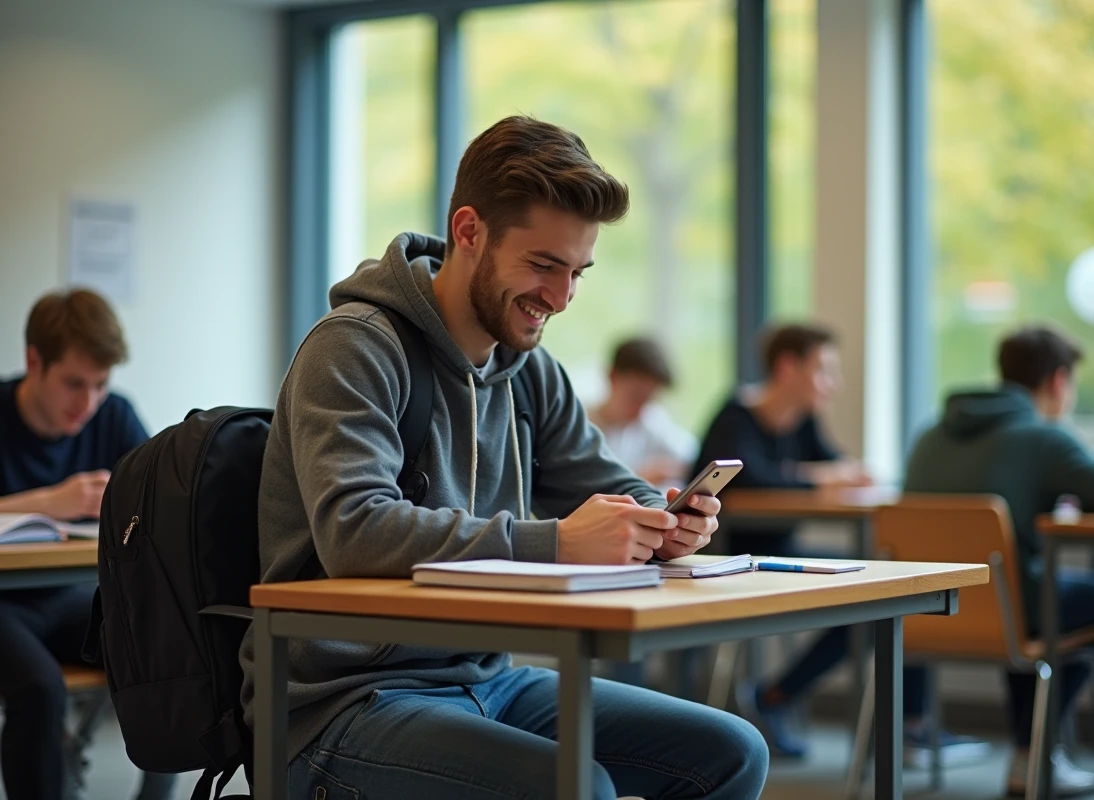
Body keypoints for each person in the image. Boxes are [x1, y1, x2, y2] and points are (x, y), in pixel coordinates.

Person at [239, 116, 768, 800]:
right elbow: (355, 531)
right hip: (341, 704)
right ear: (469, 232)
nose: (561, 298)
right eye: (544, 265)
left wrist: (660, 523)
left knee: (731, 753)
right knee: (580, 788)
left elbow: (607, 481)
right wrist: (556, 541)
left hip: (486, 677)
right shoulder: (353, 347)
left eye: (577, 271)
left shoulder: (528, 369)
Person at [697, 323, 981, 764]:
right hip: (733, 559)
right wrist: (815, 476)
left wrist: (844, 470)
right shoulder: (737, 417)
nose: (834, 384)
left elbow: (831, 463)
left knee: (892, 584)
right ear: (788, 367)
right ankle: (778, 697)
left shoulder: (803, 420)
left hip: (782, 554)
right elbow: (746, 478)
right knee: (870, 596)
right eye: (824, 370)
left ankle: (905, 723)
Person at [904, 325, 1094, 797]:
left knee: (1023, 592)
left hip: (919, 614)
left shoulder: (929, 434)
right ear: (1058, 382)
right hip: (1006, 613)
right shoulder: (1042, 438)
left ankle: (1030, 750)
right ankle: (1031, 752)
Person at [0, 289, 175, 800]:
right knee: (38, 689)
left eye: (100, 384)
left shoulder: (113, 415)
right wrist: (48, 502)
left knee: (165, 651)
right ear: (35, 361)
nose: (88, 403)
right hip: (5, 605)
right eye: (74, 383)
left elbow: (159, 506)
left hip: (74, 597)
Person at [587, 337, 697, 490]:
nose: (641, 409)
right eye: (635, 396)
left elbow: (694, 458)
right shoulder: (582, 425)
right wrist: (638, 478)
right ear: (612, 377)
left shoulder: (653, 421)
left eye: (650, 399)